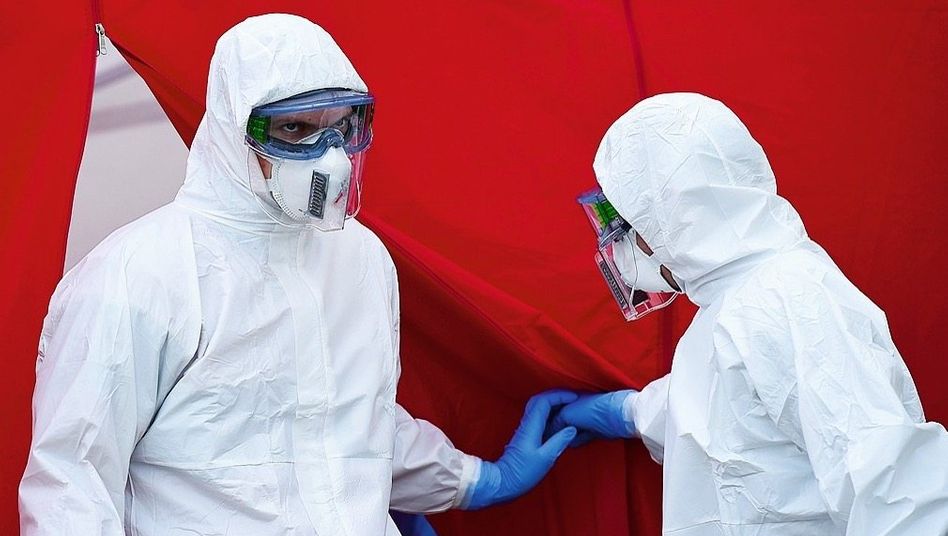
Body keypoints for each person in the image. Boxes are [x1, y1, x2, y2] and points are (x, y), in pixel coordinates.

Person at [19, 14, 577, 535]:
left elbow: (353, 424)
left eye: (342, 125)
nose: (328, 155)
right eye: (295, 129)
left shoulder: (360, 259)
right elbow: (72, 482)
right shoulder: (136, 276)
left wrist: (472, 480)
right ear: (235, 128)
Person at [553, 93, 948, 535]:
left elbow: (898, 492)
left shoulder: (791, 300)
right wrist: (626, 411)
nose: (619, 242)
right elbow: (719, 415)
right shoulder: (734, 306)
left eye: (624, 220)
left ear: (669, 214)